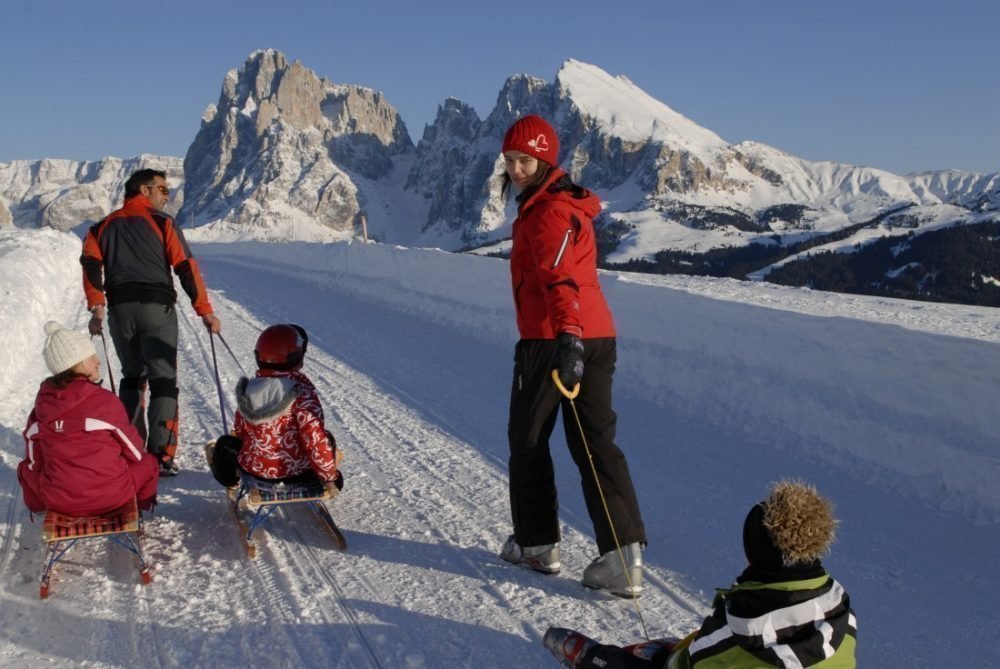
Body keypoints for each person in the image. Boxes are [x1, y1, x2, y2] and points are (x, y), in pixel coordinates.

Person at [498, 114, 646, 597]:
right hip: (596, 334)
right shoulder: (567, 204)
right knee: (596, 444)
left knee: (528, 439)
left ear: (547, 161)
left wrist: (568, 341)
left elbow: (558, 280)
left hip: (554, 340)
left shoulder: (547, 214)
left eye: (526, 161)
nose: (517, 169)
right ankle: (624, 559)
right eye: (511, 160)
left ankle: (537, 544)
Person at [543, 480, 858, 669]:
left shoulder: (745, 624)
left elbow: (688, 664)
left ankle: (591, 656)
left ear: (758, 554)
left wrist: (663, 658)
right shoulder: (839, 603)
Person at [81, 168, 222, 477]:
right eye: (163, 190)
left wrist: (97, 306)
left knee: (131, 377)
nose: (166, 197)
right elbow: (186, 267)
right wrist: (205, 311)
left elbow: (90, 263)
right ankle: (161, 456)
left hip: (120, 311)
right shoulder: (163, 223)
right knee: (163, 381)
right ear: (144, 191)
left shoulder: (101, 227)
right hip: (157, 309)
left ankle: (132, 452)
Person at [17, 321, 159, 516]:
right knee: (149, 462)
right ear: (80, 362)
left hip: (58, 501)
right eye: (92, 356)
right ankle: (137, 510)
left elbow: (34, 461)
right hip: (112, 497)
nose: (98, 361)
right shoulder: (105, 402)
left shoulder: (42, 407)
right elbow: (135, 453)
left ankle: (40, 509)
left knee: (25, 469)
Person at [208, 324, 343, 495]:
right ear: (297, 358)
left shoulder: (249, 390)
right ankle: (321, 476)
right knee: (325, 437)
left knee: (225, 444)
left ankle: (231, 481)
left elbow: (241, 432)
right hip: (299, 473)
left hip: (256, 470)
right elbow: (314, 440)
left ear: (258, 356)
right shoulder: (303, 394)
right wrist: (330, 478)